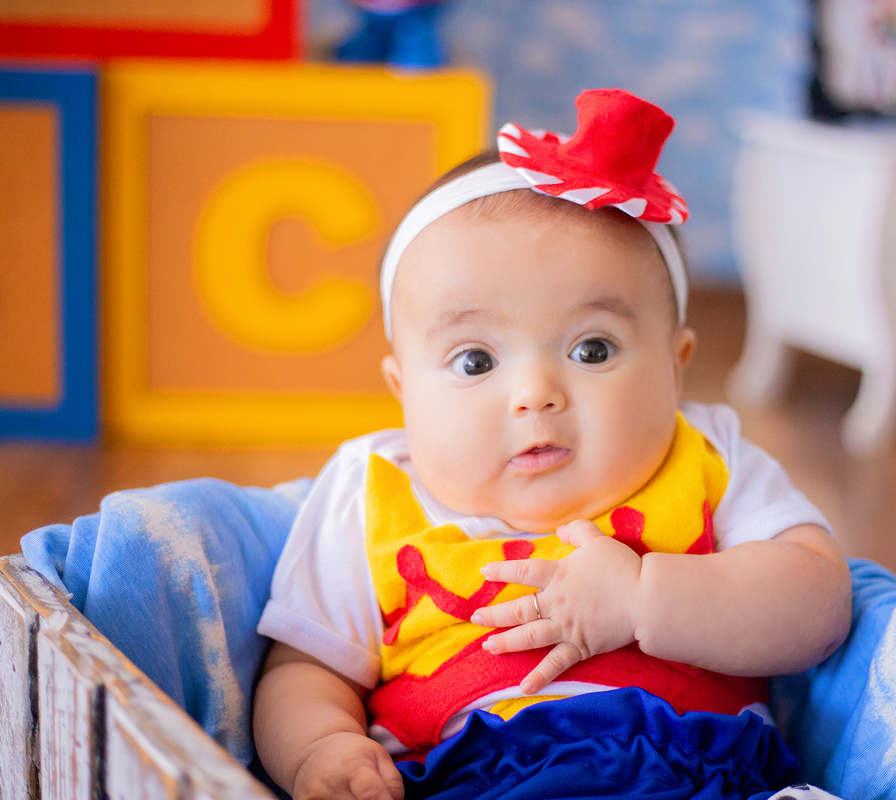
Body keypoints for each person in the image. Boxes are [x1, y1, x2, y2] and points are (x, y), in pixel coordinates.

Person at [251, 88, 852, 800]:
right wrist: (322, 747)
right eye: (475, 361)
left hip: (702, 765)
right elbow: (302, 670)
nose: (534, 393)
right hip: (466, 773)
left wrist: (644, 600)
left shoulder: (708, 455)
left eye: (592, 349)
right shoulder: (372, 490)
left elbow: (818, 606)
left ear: (675, 364)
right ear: (402, 389)